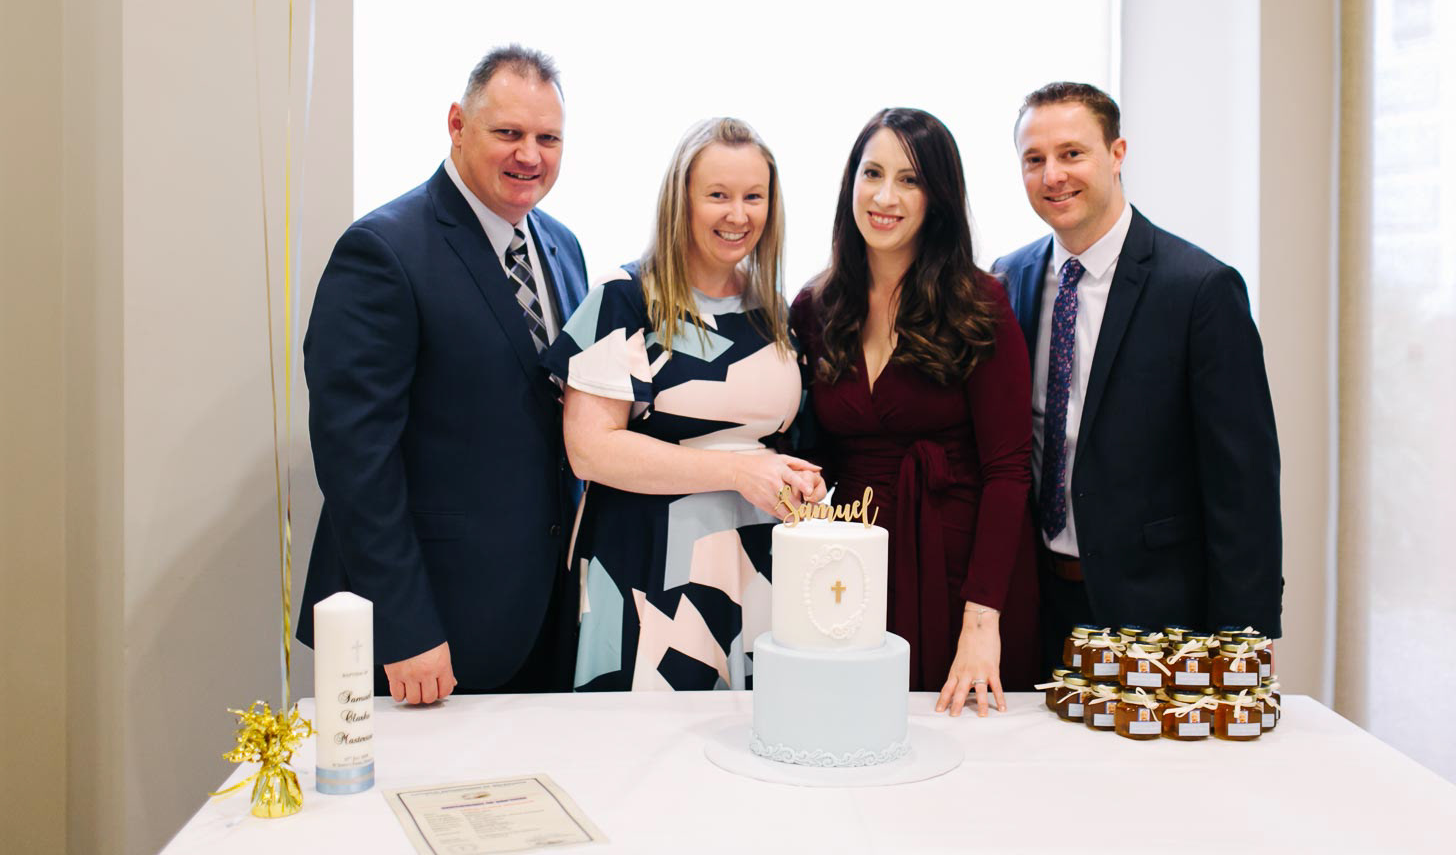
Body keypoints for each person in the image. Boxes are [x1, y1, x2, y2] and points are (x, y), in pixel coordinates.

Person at [297, 45, 588, 702]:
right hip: (429, 630)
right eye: (508, 133)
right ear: (458, 125)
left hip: (542, 618)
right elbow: (356, 461)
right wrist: (404, 627)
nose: (529, 155)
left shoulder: (564, 247)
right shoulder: (383, 251)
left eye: (547, 138)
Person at [991, 81, 1283, 669]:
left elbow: (1243, 482)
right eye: (1034, 159)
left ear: (1117, 153)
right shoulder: (1008, 278)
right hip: (1036, 603)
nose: (1053, 175)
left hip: (1158, 614)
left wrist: (1245, 640)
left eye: (1072, 153)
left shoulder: (1200, 290)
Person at [545, 117, 825, 691]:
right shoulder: (624, 299)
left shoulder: (772, 309)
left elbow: (774, 438)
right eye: (717, 195)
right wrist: (738, 472)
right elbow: (590, 451)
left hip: (755, 560)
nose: (738, 214)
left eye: (753, 197)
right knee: (651, 735)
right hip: (650, 566)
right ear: (682, 199)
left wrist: (794, 476)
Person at [789, 107, 1041, 718]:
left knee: (970, 751)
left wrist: (981, 621)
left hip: (966, 574)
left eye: (910, 180)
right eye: (872, 173)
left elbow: (1009, 471)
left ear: (938, 197)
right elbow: (815, 455)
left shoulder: (980, 303)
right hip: (858, 571)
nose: (885, 197)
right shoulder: (815, 307)